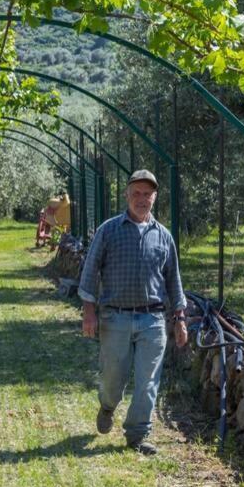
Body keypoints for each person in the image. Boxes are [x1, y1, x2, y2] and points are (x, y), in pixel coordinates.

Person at [77, 169, 188, 455]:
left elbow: (173, 280)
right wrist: (89, 311)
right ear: (127, 195)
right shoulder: (109, 230)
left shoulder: (164, 237)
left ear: (155, 198)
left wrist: (180, 318)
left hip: (152, 319)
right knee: (114, 378)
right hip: (115, 317)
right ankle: (108, 404)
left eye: (147, 194)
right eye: (136, 193)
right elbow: (90, 271)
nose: (142, 199)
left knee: (148, 380)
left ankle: (137, 434)